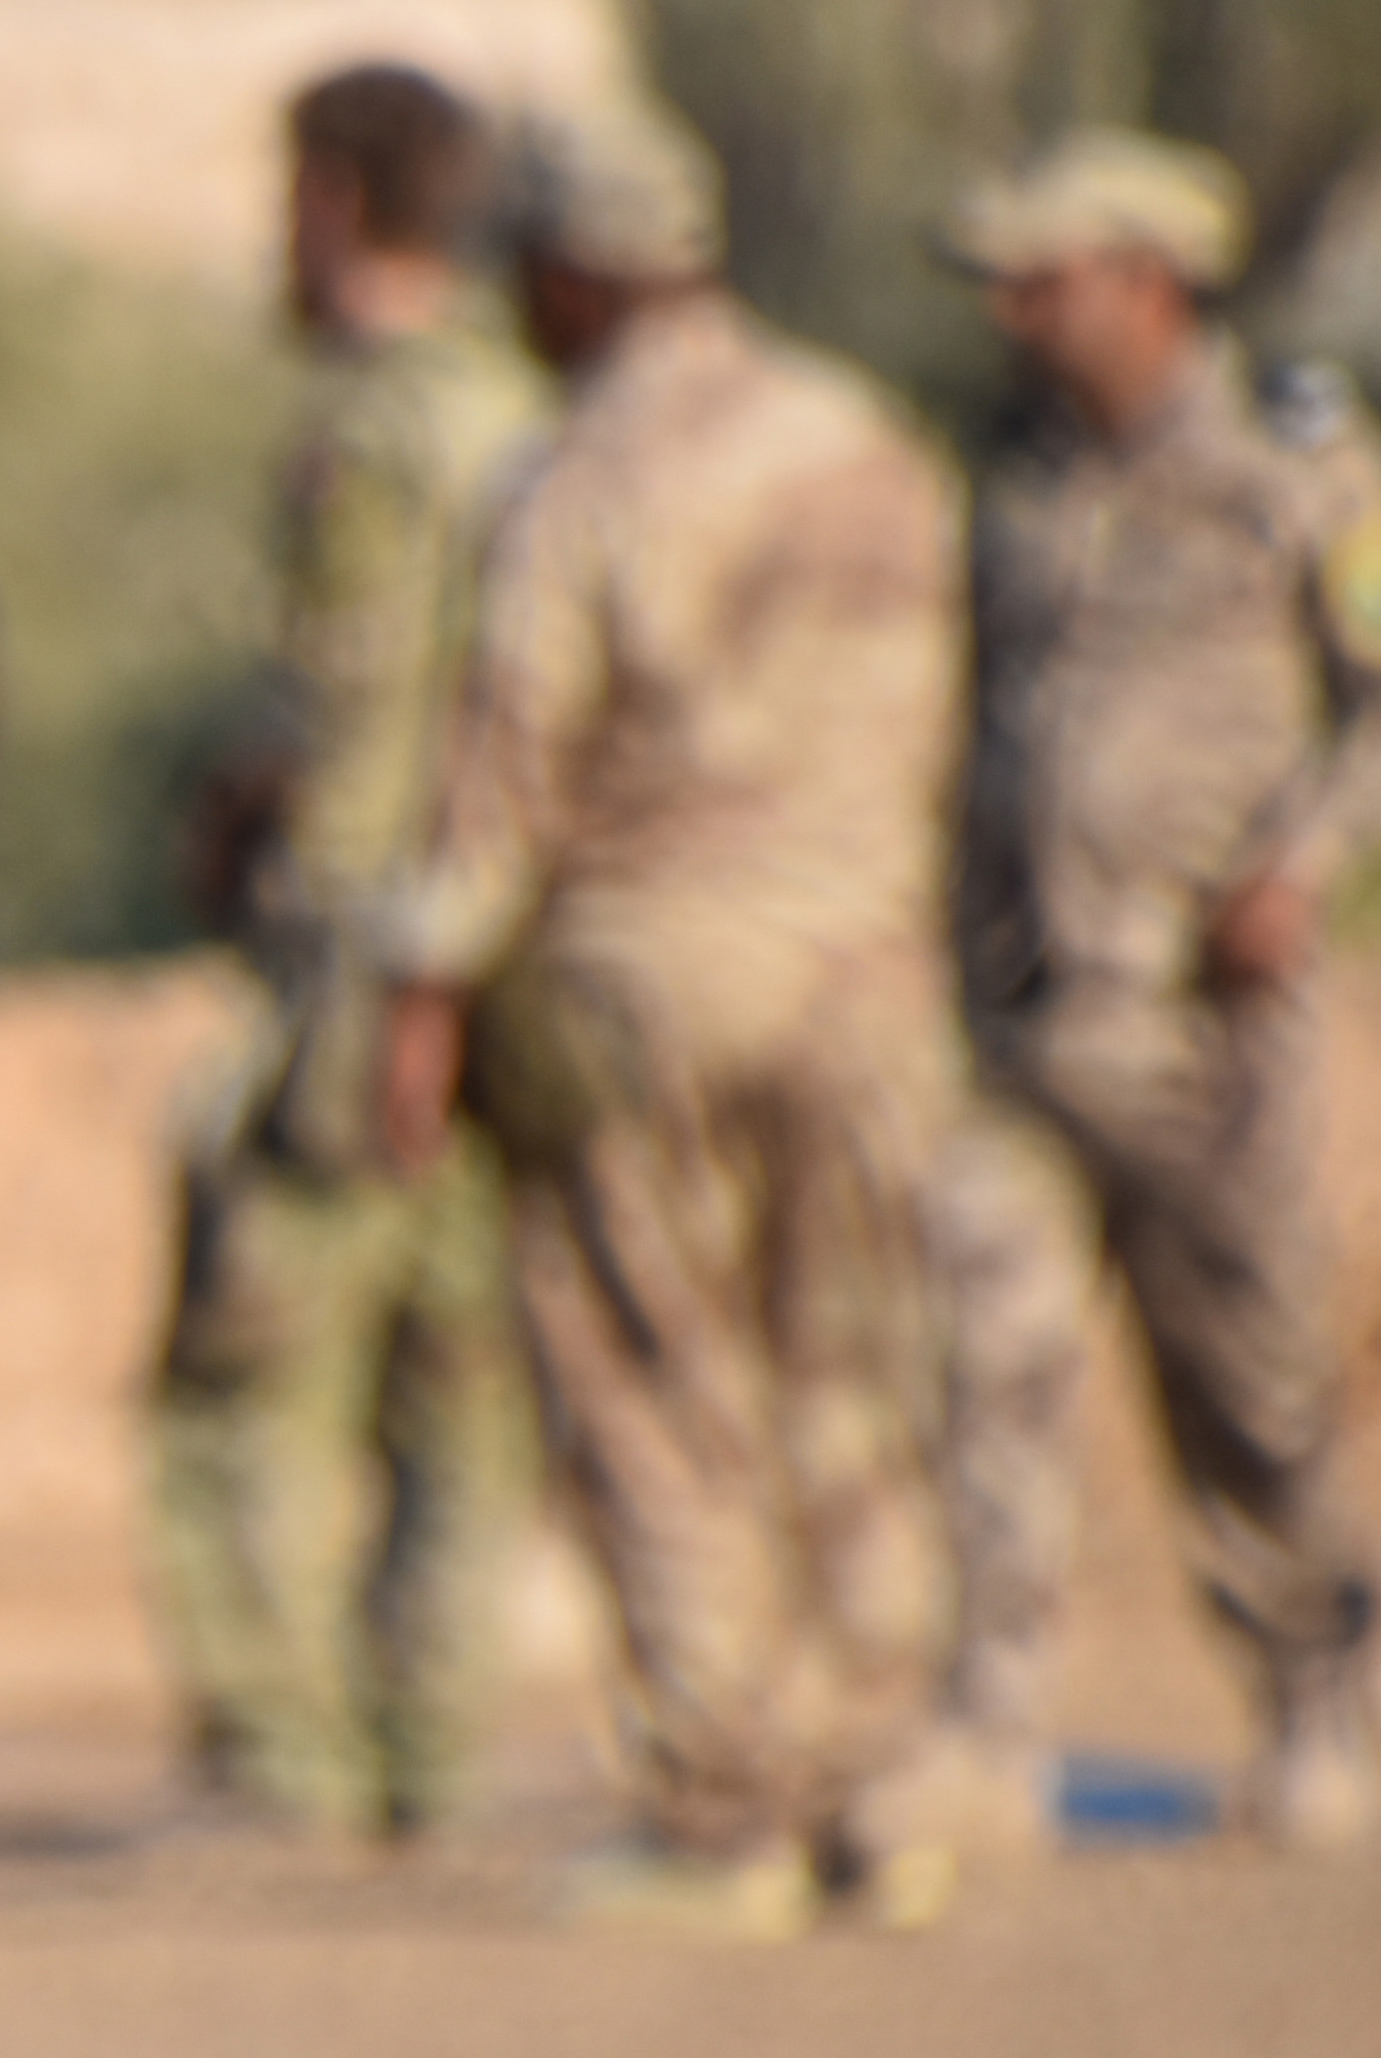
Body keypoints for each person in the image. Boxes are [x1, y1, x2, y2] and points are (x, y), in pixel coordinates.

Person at [375, 112, 966, 1938]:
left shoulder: (576, 475)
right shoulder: (872, 442)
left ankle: (722, 1814)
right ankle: (880, 1791)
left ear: (569, 276)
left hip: (649, 970)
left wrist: (420, 995)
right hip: (869, 977)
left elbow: (506, 767)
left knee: (649, 1382)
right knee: (854, 1382)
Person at [937, 130, 1381, 1851]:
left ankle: (1315, 1700)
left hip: (1196, 1025)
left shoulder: (1297, 452)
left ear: (1151, 284)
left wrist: (1299, 859)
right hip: (1012, 1009)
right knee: (979, 1352)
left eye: (1048, 276)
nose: (1013, 310)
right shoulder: (1008, 471)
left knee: (1245, 1369)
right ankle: (988, 1724)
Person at [142, 65, 549, 1844]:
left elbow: (360, 698)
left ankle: (285, 1753)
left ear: (334, 198)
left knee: (248, 1364)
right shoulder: (530, 410)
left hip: (363, 953)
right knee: (461, 1367)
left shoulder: (382, 431)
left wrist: (274, 842)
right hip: (505, 944)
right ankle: (431, 1743)